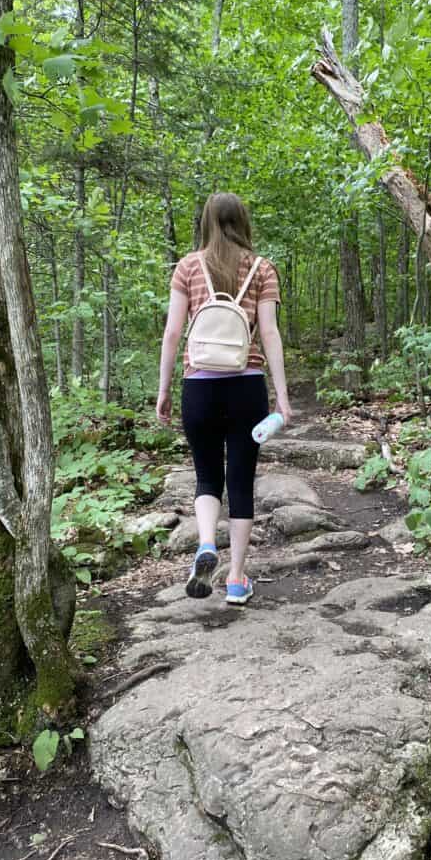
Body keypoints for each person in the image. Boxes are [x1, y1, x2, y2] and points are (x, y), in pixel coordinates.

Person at [157, 192, 292, 604]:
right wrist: (282, 397)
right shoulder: (262, 268)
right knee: (241, 480)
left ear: (207, 224)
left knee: (206, 474)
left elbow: (173, 333)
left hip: (198, 386)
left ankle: (205, 545)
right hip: (246, 385)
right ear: (243, 222)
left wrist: (164, 390)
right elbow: (269, 334)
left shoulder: (187, 267)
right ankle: (235, 579)